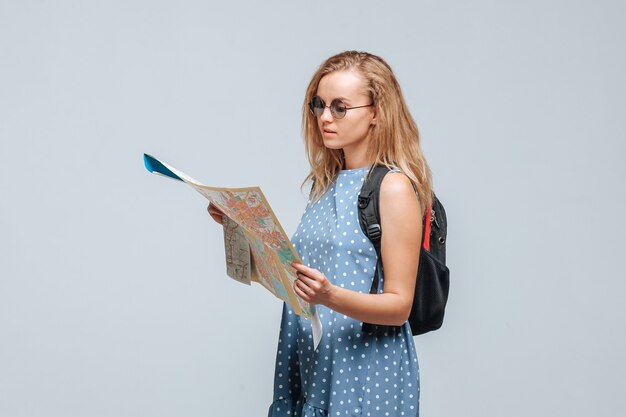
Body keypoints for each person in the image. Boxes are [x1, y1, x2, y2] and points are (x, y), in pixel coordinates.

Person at [208, 50, 433, 417]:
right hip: (312, 359)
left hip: (363, 373)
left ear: (376, 112)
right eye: (319, 104)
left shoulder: (392, 188)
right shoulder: (324, 185)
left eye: (340, 107)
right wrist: (240, 232)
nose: (325, 117)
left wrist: (329, 295)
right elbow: (296, 276)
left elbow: (399, 306)